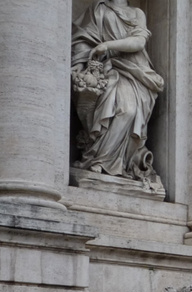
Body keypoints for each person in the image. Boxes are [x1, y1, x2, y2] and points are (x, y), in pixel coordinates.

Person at [71, 0, 165, 186]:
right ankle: (100, 160)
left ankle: (116, 163)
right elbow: (83, 39)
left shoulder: (137, 13)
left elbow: (139, 42)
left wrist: (107, 45)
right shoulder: (98, 9)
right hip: (107, 69)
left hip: (136, 71)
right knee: (115, 108)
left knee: (128, 110)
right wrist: (82, 64)